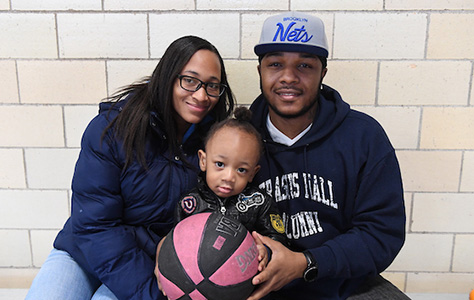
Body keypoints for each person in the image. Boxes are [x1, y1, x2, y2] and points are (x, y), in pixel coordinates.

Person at [25, 35, 235, 300]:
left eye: (213, 86)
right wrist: (148, 295)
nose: (202, 95)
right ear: (167, 77)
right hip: (83, 252)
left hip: (146, 263)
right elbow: (95, 225)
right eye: (190, 80)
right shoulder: (112, 129)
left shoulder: (216, 146)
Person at [246, 11, 408, 300]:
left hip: (344, 285)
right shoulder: (237, 138)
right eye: (275, 64)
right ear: (260, 70)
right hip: (257, 284)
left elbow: (382, 233)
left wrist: (306, 263)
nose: (288, 77)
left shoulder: (364, 137)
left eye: (305, 65)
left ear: (323, 72)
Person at [175, 106, 287, 245]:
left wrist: (266, 251)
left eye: (241, 170)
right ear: (203, 161)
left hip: (245, 264)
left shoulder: (260, 203)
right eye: (220, 164)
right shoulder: (189, 203)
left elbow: (277, 238)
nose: (228, 177)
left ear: (253, 173)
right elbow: (176, 242)